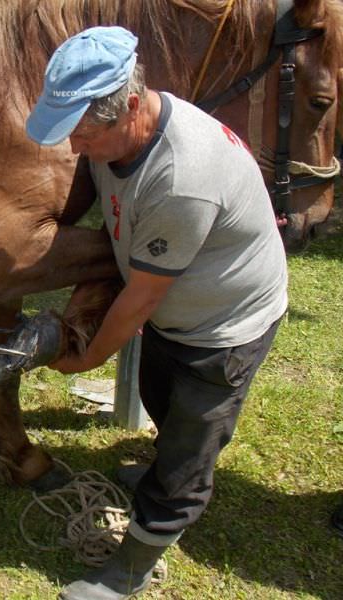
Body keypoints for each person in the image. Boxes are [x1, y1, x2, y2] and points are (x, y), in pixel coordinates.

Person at [23, 27, 288, 600]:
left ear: (132, 107)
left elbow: (140, 299)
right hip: (177, 315)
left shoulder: (181, 179)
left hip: (223, 329)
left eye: (83, 135)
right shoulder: (126, 136)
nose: (73, 150)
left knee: (189, 449)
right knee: (159, 395)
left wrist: (84, 359)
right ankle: (162, 466)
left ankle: (131, 567)